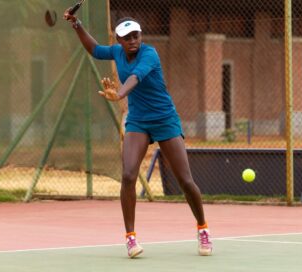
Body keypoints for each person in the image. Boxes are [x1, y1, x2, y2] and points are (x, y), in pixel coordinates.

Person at [63, 9, 212, 258]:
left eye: (136, 35)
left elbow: (136, 77)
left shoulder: (149, 54)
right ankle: (131, 238)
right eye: (127, 37)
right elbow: (96, 50)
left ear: (140, 36)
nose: (133, 40)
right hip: (138, 121)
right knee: (129, 175)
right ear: (119, 40)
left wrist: (119, 94)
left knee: (185, 181)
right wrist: (76, 23)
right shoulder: (117, 52)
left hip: (165, 120)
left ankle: (203, 228)